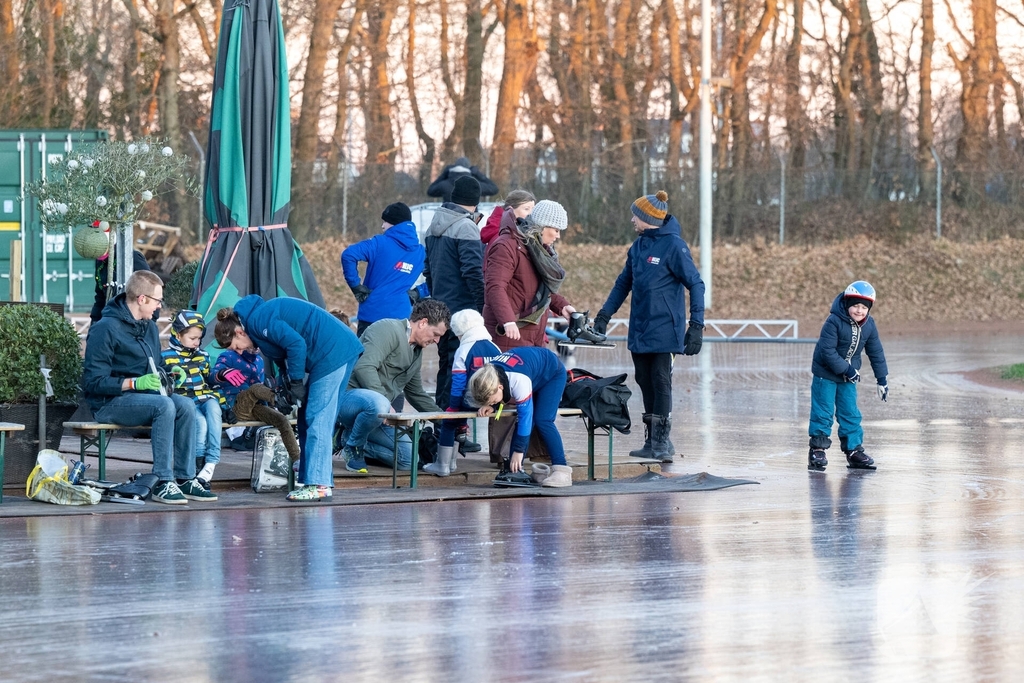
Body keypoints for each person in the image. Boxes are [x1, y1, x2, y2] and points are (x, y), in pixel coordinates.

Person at [82, 270, 215, 504]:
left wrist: (172, 372)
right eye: (157, 301)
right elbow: (93, 382)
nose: (158, 307)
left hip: (145, 398)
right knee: (164, 405)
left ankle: (185, 478)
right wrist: (134, 383)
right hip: (109, 403)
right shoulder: (105, 328)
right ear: (142, 299)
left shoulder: (150, 327)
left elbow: (158, 364)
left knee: (184, 404)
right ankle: (163, 480)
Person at [593, 190, 705, 463]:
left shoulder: (674, 246)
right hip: (640, 328)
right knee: (644, 380)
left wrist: (697, 325)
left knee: (661, 380)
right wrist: (604, 315)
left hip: (666, 329)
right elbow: (623, 283)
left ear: (647, 218)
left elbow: (696, 284)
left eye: (636, 214)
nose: (632, 219)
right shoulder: (638, 246)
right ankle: (650, 440)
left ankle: (662, 442)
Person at [232, 295, 364, 502]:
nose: (242, 351)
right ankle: (311, 471)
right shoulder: (260, 323)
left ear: (239, 331)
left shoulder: (258, 320)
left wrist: (295, 383)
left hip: (331, 353)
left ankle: (318, 484)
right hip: (337, 349)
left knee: (317, 417)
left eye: (237, 346)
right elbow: (282, 358)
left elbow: (295, 344)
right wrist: (286, 389)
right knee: (307, 415)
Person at [337, 299, 451, 472]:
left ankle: (345, 438)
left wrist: (444, 420)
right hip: (347, 400)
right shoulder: (387, 329)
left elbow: (416, 393)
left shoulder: (416, 351)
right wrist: (385, 404)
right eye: (436, 334)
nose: (437, 340)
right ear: (423, 323)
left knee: (409, 460)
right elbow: (364, 367)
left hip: (378, 412)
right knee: (378, 404)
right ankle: (354, 446)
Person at [807, 281, 889, 471]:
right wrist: (848, 369)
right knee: (823, 412)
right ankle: (817, 450)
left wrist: (882, 379)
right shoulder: (833, 322)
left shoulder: (869, 325)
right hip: (825, 374)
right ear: (846, 304)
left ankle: (854, 451)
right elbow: (827, 351)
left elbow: (876, 351)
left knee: (850, 413)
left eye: (864, 307)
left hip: (848, 377)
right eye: (855, 306)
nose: (859, 311)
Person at [466, 346, 573, 488]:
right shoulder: (489, 374)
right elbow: (503, 395)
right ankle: (515, 470)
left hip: (552, 374)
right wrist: (493, 405)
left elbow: (525, 418)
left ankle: (562, 471)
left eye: (491, 400)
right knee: (522, 423)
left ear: (499, 387)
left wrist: (518, 450)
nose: (491, 403)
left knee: (542, 420)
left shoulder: (518, 380)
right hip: (533, 372)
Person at [483, 199, 581, 350]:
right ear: (542, 226)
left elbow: (538, 289)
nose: (558, 236)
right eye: (556, 230)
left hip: (533, 336)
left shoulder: (538, 251)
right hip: (508, 335)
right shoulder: (507, 246)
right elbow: (495, 286)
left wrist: (562, 306)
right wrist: (507, 321)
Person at [424, 175, 485, 411]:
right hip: (464, 311)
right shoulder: (466, 227)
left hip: (441, 307)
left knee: (446, 365)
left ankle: (440, 422)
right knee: (459, 367)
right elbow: (472, 273)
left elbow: (428, 269)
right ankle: (452, 428)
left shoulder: (432, 226)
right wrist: (483, 307)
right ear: (475, 201)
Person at [423, 309, 501, 477]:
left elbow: (458, 383)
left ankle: (443, 464)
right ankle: (452, 461)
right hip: (492, 403)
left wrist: (452, 407)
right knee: (460, 418)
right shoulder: (495, 347)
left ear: (461, 331)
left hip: (470, 401)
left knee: (449, 423)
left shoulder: (465, 349)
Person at [161, 310, 224, 490]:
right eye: (192, 338)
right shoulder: (166, 356)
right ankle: (197, 467)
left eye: (199, 338)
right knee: (200, 423)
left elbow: (208, 378)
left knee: (214, 410)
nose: (197, 342)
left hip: (204, 396)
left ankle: (211, 462)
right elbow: (164, 382)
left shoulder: (202, 355)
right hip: (184, 399)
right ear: (178, 335)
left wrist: (218, 376)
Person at [342, 202, 426, 336]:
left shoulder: (379, 243)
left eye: (385, 222)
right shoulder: (421, 252)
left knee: (368, 357)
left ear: (394, 223)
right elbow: (438, 274)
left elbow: (348, 255)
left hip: (372, 315)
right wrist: (419, 292)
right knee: (397, 357)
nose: (382, 226)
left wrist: (355, 285)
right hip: (401, 318)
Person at [212, 308, 268, 449]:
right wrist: (222, 373)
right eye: (233, 349)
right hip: (235, 408)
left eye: (236, 346)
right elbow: (212, 375)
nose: (237, 351)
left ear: (240, 333)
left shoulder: (259, 360)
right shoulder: (228, 357)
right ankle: (247, 435)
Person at [90, 247, 150, 322]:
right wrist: (95, 322)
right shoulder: (100, 262)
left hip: (135, 321)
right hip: (112, 321)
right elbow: (100, 297)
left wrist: (148, 324)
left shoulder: (133, 257)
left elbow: (150, 289)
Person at [427, 156, 498, 203]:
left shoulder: (444, 184)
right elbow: (494, 189)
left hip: (449, 221)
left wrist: (444, 175)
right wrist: (478, 174)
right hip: (469, 221)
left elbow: (430, 191)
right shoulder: (474, 185)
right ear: (468, 168)